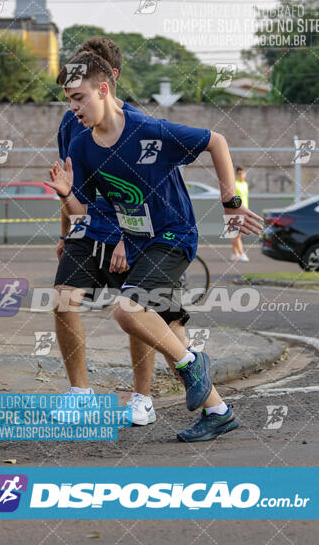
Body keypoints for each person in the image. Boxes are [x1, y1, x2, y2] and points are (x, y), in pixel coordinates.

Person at [45, 51, 264, 442]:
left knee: (128, 312)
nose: (72, 108)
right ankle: (218, 410)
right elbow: (83, 214)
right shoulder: (81, 147)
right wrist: (65, 196)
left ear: (104, 88)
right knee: (156, 322)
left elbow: (217, 141)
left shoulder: (149, 130)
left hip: (174, 234)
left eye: (78, 98)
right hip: (136, 239)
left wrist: (231, 203)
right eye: (68, 100)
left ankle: (188, 365)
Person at [54, 37, 189, 426]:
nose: (74, 102)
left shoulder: (140, 129)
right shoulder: (71, 121)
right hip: (90, 222)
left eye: (80, 90)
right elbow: (71, 182)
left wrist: (124, 241)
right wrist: (66, 233)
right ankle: (79, 393)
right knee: (63, 298)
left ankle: (145, 397)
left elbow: (146, 195)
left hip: (138, 230)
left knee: (147, 312)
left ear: (108, 80)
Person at [231, 167, 250, 262]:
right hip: (236, 212)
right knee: (237, 234)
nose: (241, 175)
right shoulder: (235, 184)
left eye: (243, 173)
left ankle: (235, 253)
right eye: (239, 174)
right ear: (237, 175)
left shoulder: (245, 184)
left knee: (236, 234)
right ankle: (242, 254)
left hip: (244, 212)